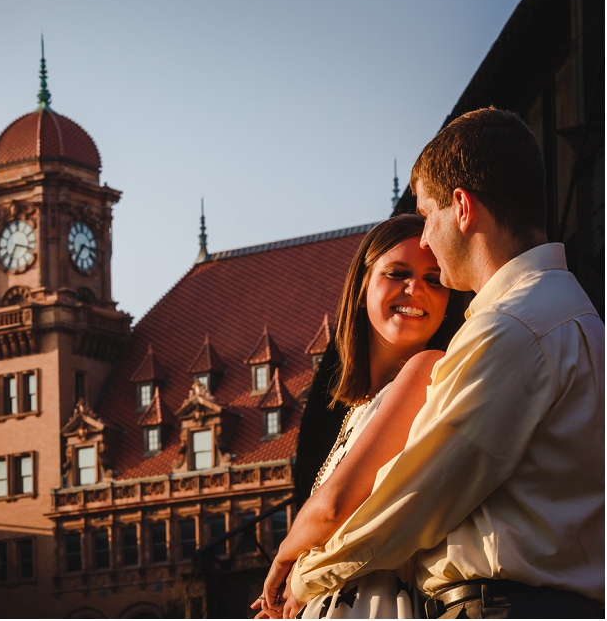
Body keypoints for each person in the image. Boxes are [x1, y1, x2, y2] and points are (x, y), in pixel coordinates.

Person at [264, 107, 604, 619]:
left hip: (503, 605)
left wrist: (304, 576)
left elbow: (414, 498)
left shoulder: (512, 328)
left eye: (427, 215)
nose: (424, 239)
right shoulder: (568, 315)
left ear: (462, 208)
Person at [249, 213, 466, 619]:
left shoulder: (427, 368)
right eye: (397, 272)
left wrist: (281, 560)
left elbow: (334, 506)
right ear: (362, 285)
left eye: (434, 279)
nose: (415, 287)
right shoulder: (361, 406)